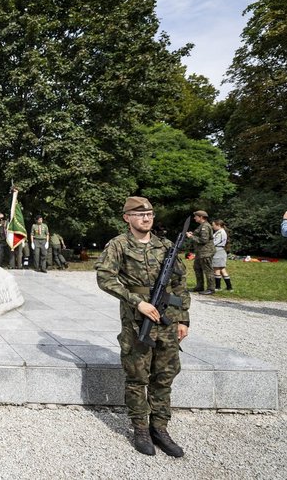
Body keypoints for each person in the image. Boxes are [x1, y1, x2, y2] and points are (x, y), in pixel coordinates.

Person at [95, 196, 190, 457]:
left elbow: (179, 283)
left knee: (165, 375)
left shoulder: (166, 246)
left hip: (167, 320)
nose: (146, 218)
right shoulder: (119, 244)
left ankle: (160, 428)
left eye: (149, 214)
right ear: (127, 218)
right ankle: (140, 429)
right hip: (137, 322)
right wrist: (137, 302)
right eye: (139, 214)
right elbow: (105, 278)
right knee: (137, 376)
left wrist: (183, 319)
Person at [186, 210, 215, 294]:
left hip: (206, 252)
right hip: (200, 252)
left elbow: (204, 240)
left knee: (208, 270)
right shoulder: (202, 226)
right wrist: (193, 234)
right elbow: (200, 236)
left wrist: (191, 237)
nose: (194, 218)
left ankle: (211, 289)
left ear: (201, 217)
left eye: (196, 216)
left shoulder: (205, 226)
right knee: (197, 268)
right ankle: (199, 286)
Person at [211, 220, 232, 291]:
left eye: (213, 225)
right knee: (222, 270)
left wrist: (208, 244)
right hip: (221, 251)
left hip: (218, 252)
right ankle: (229, 287)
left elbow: (215, 242)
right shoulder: (221, 232)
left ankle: (218, 287)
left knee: (216, 269)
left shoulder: (220, 232)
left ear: (218, 225)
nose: (212, 227)